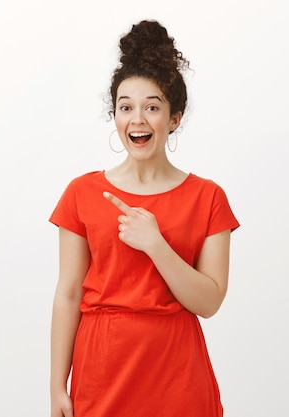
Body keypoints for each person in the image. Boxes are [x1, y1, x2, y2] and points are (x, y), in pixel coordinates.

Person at [48, 20, 239, 417]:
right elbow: (68, 295)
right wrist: (56, 386)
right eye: (126, 106)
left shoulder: (208, 198)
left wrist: (156, 244)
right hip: (101, 373)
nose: (137, 119)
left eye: (152, 107)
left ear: (174, 118)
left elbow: (209, 302)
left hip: (178, 378)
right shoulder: (82, 194)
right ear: (114, 115)